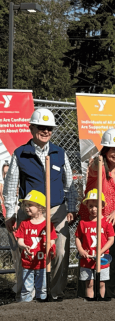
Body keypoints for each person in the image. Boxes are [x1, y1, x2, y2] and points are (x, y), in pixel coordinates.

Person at [3, 108, 77, 301]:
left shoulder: (59, 153)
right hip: (29, 213)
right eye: (41, 127)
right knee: (24, 252)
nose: (46, 131)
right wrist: (11, 214)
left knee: (60, 250)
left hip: (56, 210)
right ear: (31, 128)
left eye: (49, 128)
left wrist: (71, 207)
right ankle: (26, 294)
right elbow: (11, 186)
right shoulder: (21, 154)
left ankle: (54, 292)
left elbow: (69, 184)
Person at [78, 128, 115, 299]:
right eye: (112, 149)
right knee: (88, 260)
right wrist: (96, 162)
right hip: (93, 222)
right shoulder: (98, 166)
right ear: (105, 150)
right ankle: (86, 295)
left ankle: (109, 295)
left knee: (111, 259)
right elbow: (93, 168)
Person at [15, 190, 57, 302]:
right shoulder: (24, 224)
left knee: (42, 288)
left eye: (30, 205)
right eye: (25, 205)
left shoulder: (47, 224)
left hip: (42, 262)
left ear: (40, 207)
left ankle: (41, 308)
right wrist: (24, 246)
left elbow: (52, 241)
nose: (27, 208)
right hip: (27, 262)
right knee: (27, 288)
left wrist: (49, 245)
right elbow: (20, 240)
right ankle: (25, 307)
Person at [75, 189, 115, 299]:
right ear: (86, 206)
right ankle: (90, 302)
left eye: (96, 206)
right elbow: (77, 237)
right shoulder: (83, 222)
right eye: (91, 206)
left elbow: (111, 239)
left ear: (102, 206)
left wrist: (101, 251)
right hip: (87, 258)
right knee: (89, 283)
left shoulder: (106, 222)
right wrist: (80, 250)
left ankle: (100, 300)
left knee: (101, 282)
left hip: (102, 258)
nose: (93, 209)